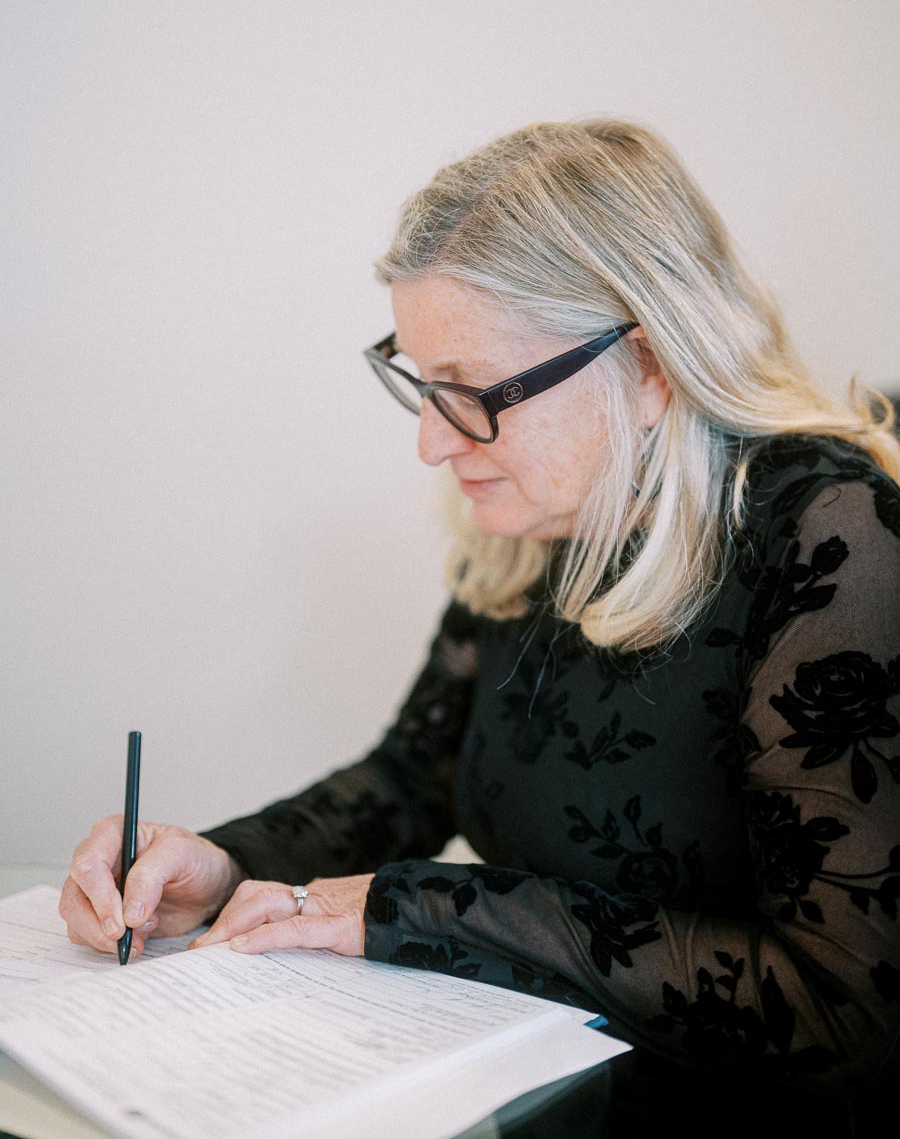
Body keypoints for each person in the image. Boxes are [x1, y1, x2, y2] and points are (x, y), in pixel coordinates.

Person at [61, 121, 900, 1134]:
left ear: (646, 366)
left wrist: (422, 907)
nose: (428, 441)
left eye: (467, 391)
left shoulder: (835, 537)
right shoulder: (534, 519)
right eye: (418, 381)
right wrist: (223, 862)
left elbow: (843, 1008)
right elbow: (413, 777)